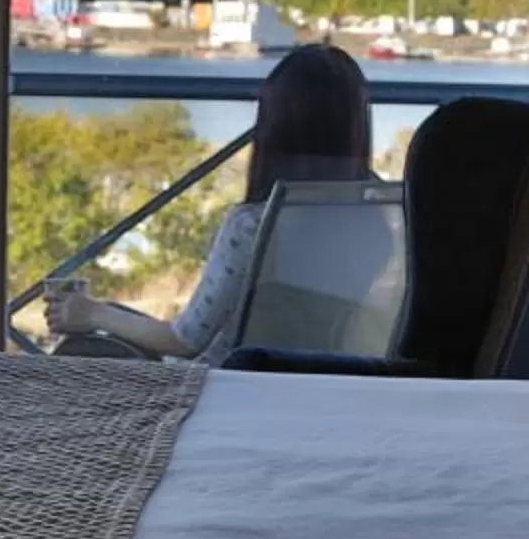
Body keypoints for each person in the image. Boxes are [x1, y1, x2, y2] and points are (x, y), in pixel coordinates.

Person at [49, 42, 376, 362]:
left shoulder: (254, 227)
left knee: (82, 347)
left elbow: (185, 341)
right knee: (113, 315)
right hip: (325, 377)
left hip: (222, 382)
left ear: (273, 128)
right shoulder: (382, 219)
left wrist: (93, 314)